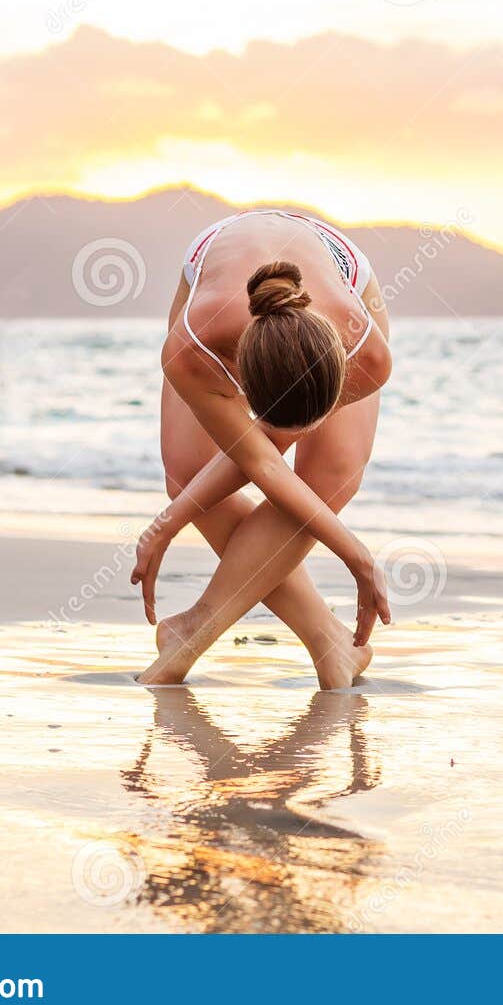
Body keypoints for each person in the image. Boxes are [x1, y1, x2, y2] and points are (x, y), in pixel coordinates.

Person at [129, 209, 392, 687]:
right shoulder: (193, 348)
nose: (290, 441)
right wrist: (355, 555)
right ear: (242, 381)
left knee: (330, 479)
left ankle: (193, 632)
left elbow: (267, 463)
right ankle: (328, 641)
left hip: (338, 277)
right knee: (187, 477)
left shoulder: (366, 353)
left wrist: (169, 525)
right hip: (215, 273)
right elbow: (260, 462)